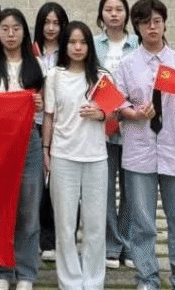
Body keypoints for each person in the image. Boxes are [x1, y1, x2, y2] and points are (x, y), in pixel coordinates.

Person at [114, 0, 175, 290]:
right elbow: (117, 104)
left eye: (157, 21)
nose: (152, 27)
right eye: (145, 23)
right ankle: (147, 278)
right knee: (142, 224)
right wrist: (134, 113)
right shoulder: (127, 65)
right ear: (137, 27)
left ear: (164, 23)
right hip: (140, 152)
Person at [0, 9, 45, 290]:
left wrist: (38, 105)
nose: (10, 34)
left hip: (29, 141)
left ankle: (26, 273)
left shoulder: (36, 65)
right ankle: (1, 273)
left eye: (16, 28)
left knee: (29, 209)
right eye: (4, 28)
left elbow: (44, 108)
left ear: (24, 32)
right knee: (0, 210)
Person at [42, 21, 109, 290]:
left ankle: (93, 281)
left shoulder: (102, 77)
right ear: (65, 45)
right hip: (63, 156)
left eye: (83, 42)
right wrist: (46, 151)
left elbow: (114, 116)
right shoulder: (55, 76)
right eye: (72, 42)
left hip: (96, 157)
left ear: (90, 46)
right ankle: (70, 282)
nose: (78, 47)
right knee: (65, 225)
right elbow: (48, 117)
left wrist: (101, 114)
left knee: (95, 226)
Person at [92, 0, 138, 270]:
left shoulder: (138, 44)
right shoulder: (92, 44)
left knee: (132, 190)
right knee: (106, 190)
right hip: (103, 127)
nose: (113, 14)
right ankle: (111, 244)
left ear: (126, 14)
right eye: (108, 9)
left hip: (132, 126)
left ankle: (129, 244)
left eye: (119, 9)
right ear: (101, 14)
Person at [32, 1, 68, 263]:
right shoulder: (31, 52)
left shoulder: (70, 52)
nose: (51, 28)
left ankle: (54, 237)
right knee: (36, 184)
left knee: (58, 184)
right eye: (47, 22)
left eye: (56, 23)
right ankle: (35, 237)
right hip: (35, 122)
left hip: (63, 124)